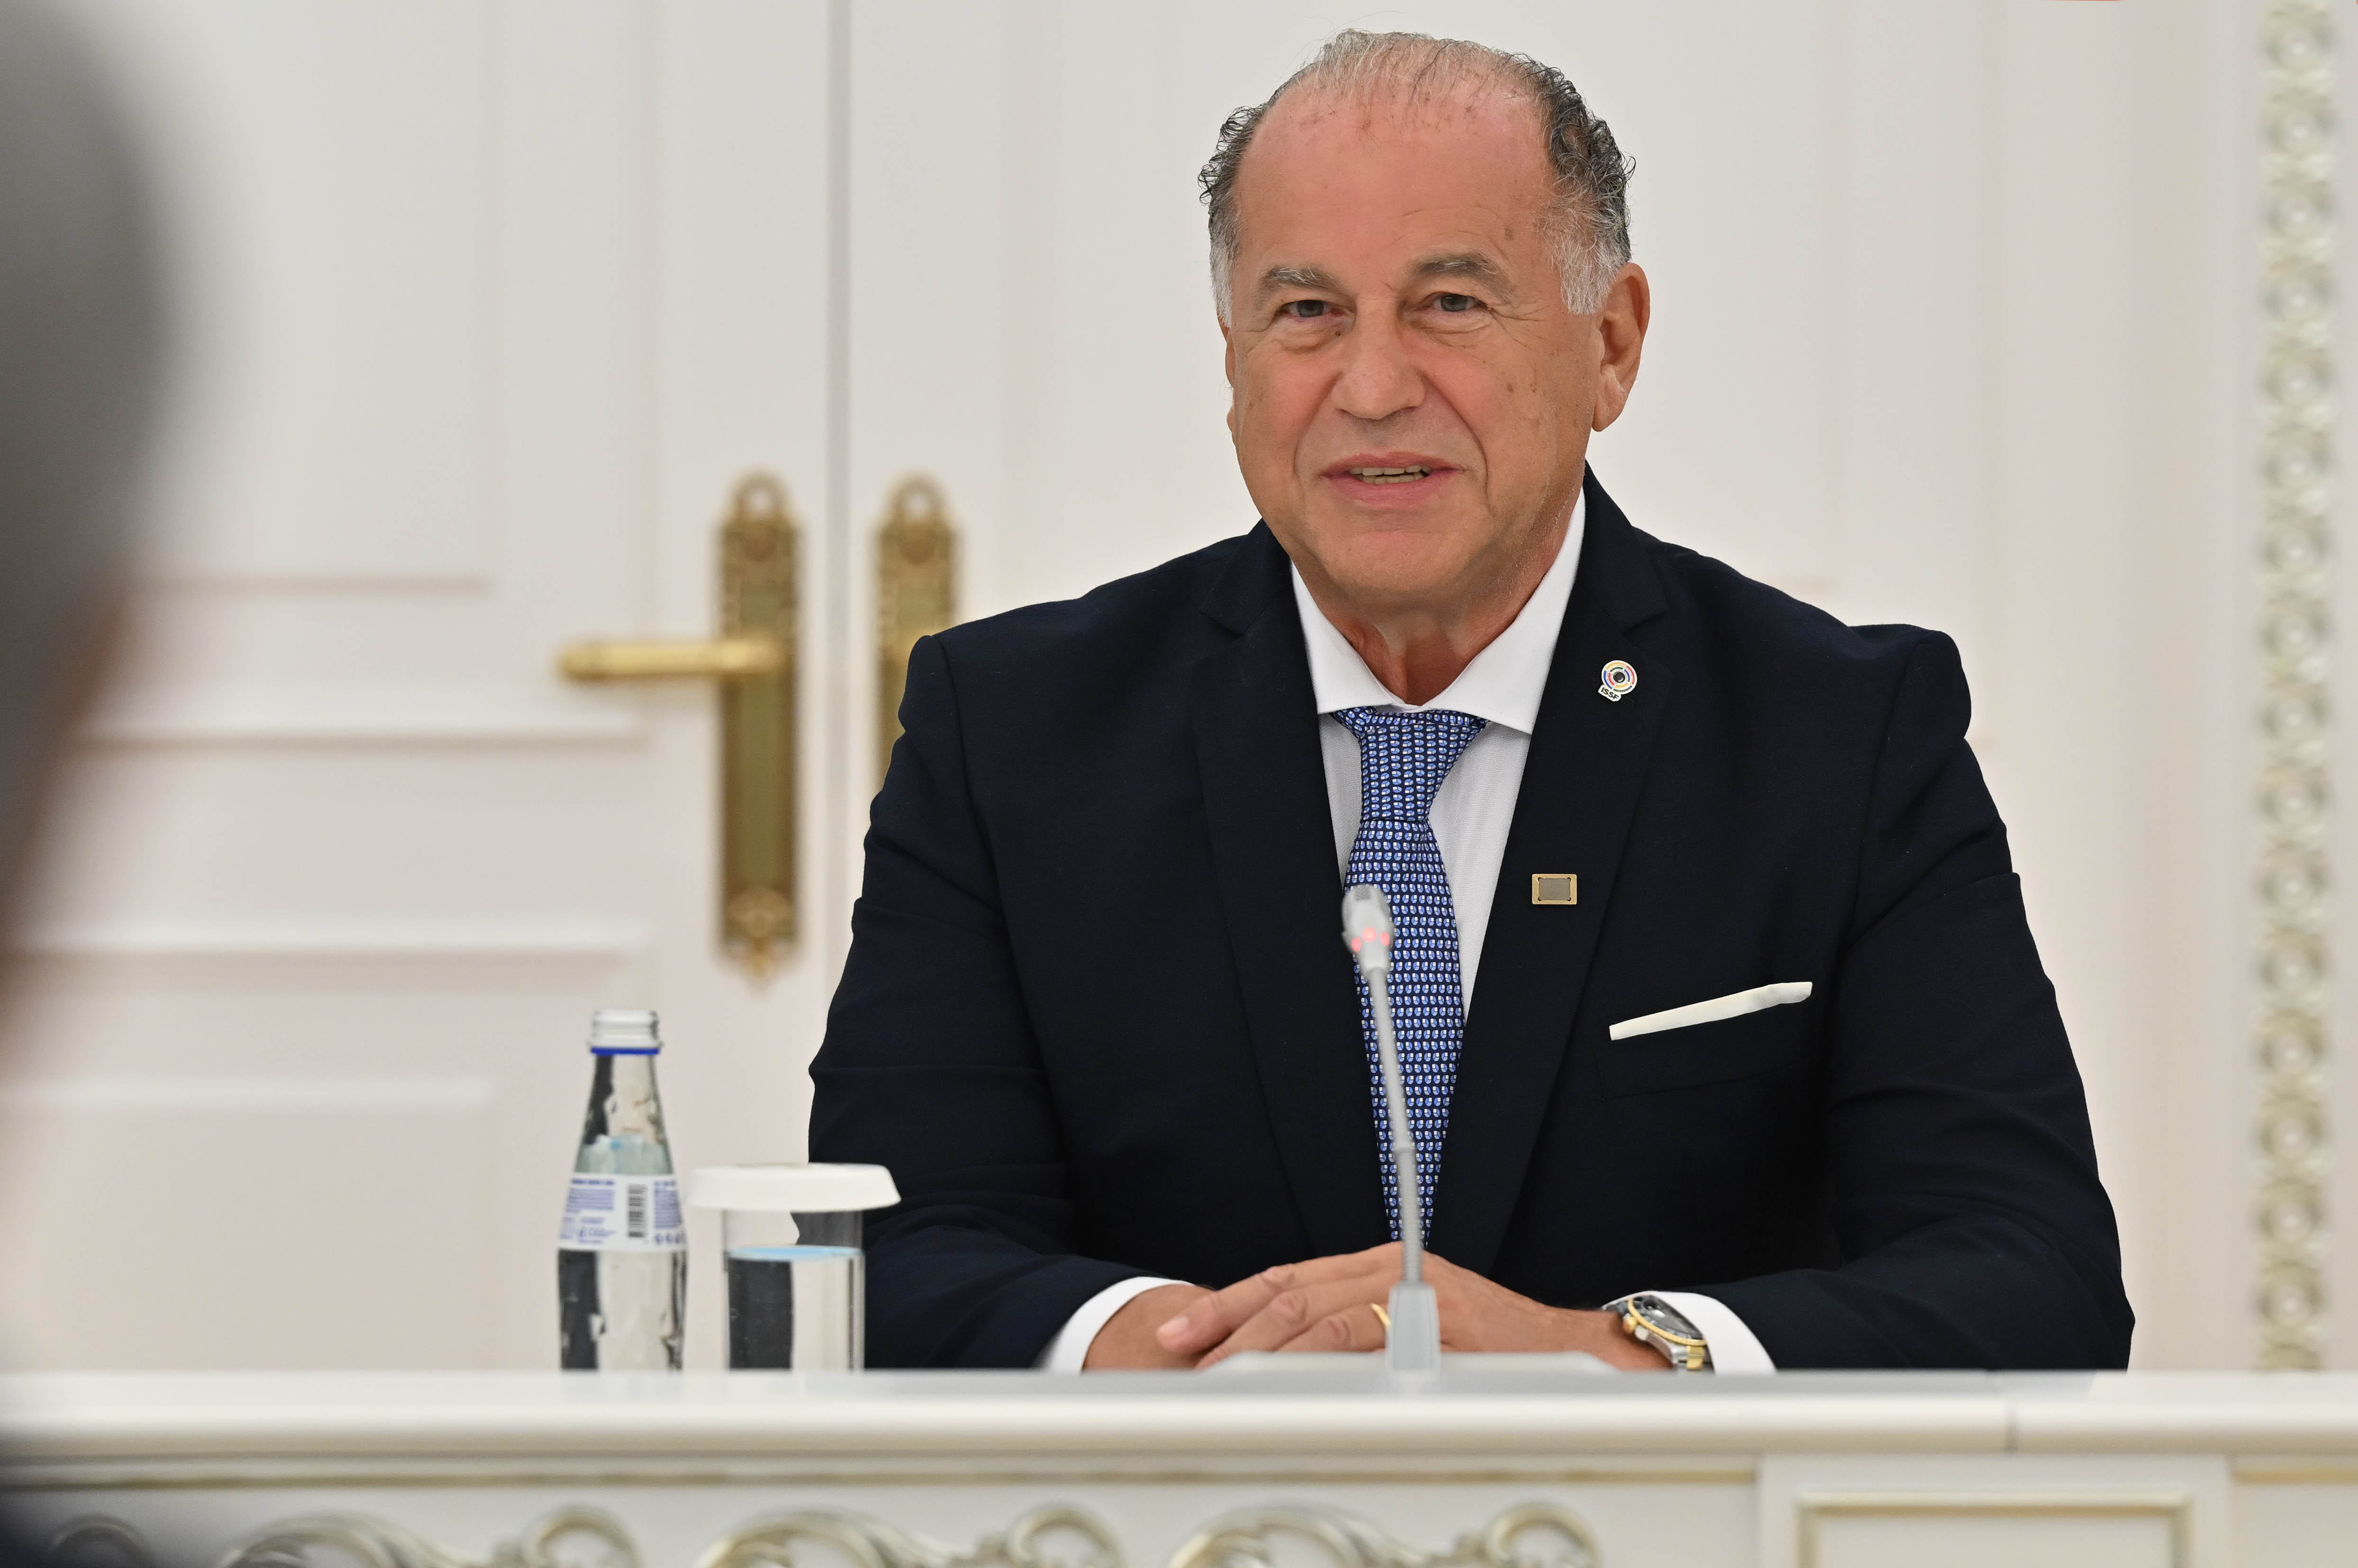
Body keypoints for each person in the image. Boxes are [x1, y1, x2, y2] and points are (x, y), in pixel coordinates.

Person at [810, 30, 2131, 1373]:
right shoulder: (1011, 732)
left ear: (1610, 346)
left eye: (1449, 303)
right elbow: (881, 1254)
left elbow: (2034, 1280)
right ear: (1233, 359)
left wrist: (1599, 1359)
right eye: (1306, 312)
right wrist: (1187, 1351)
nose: (1373, 389)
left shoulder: (1838, 737)